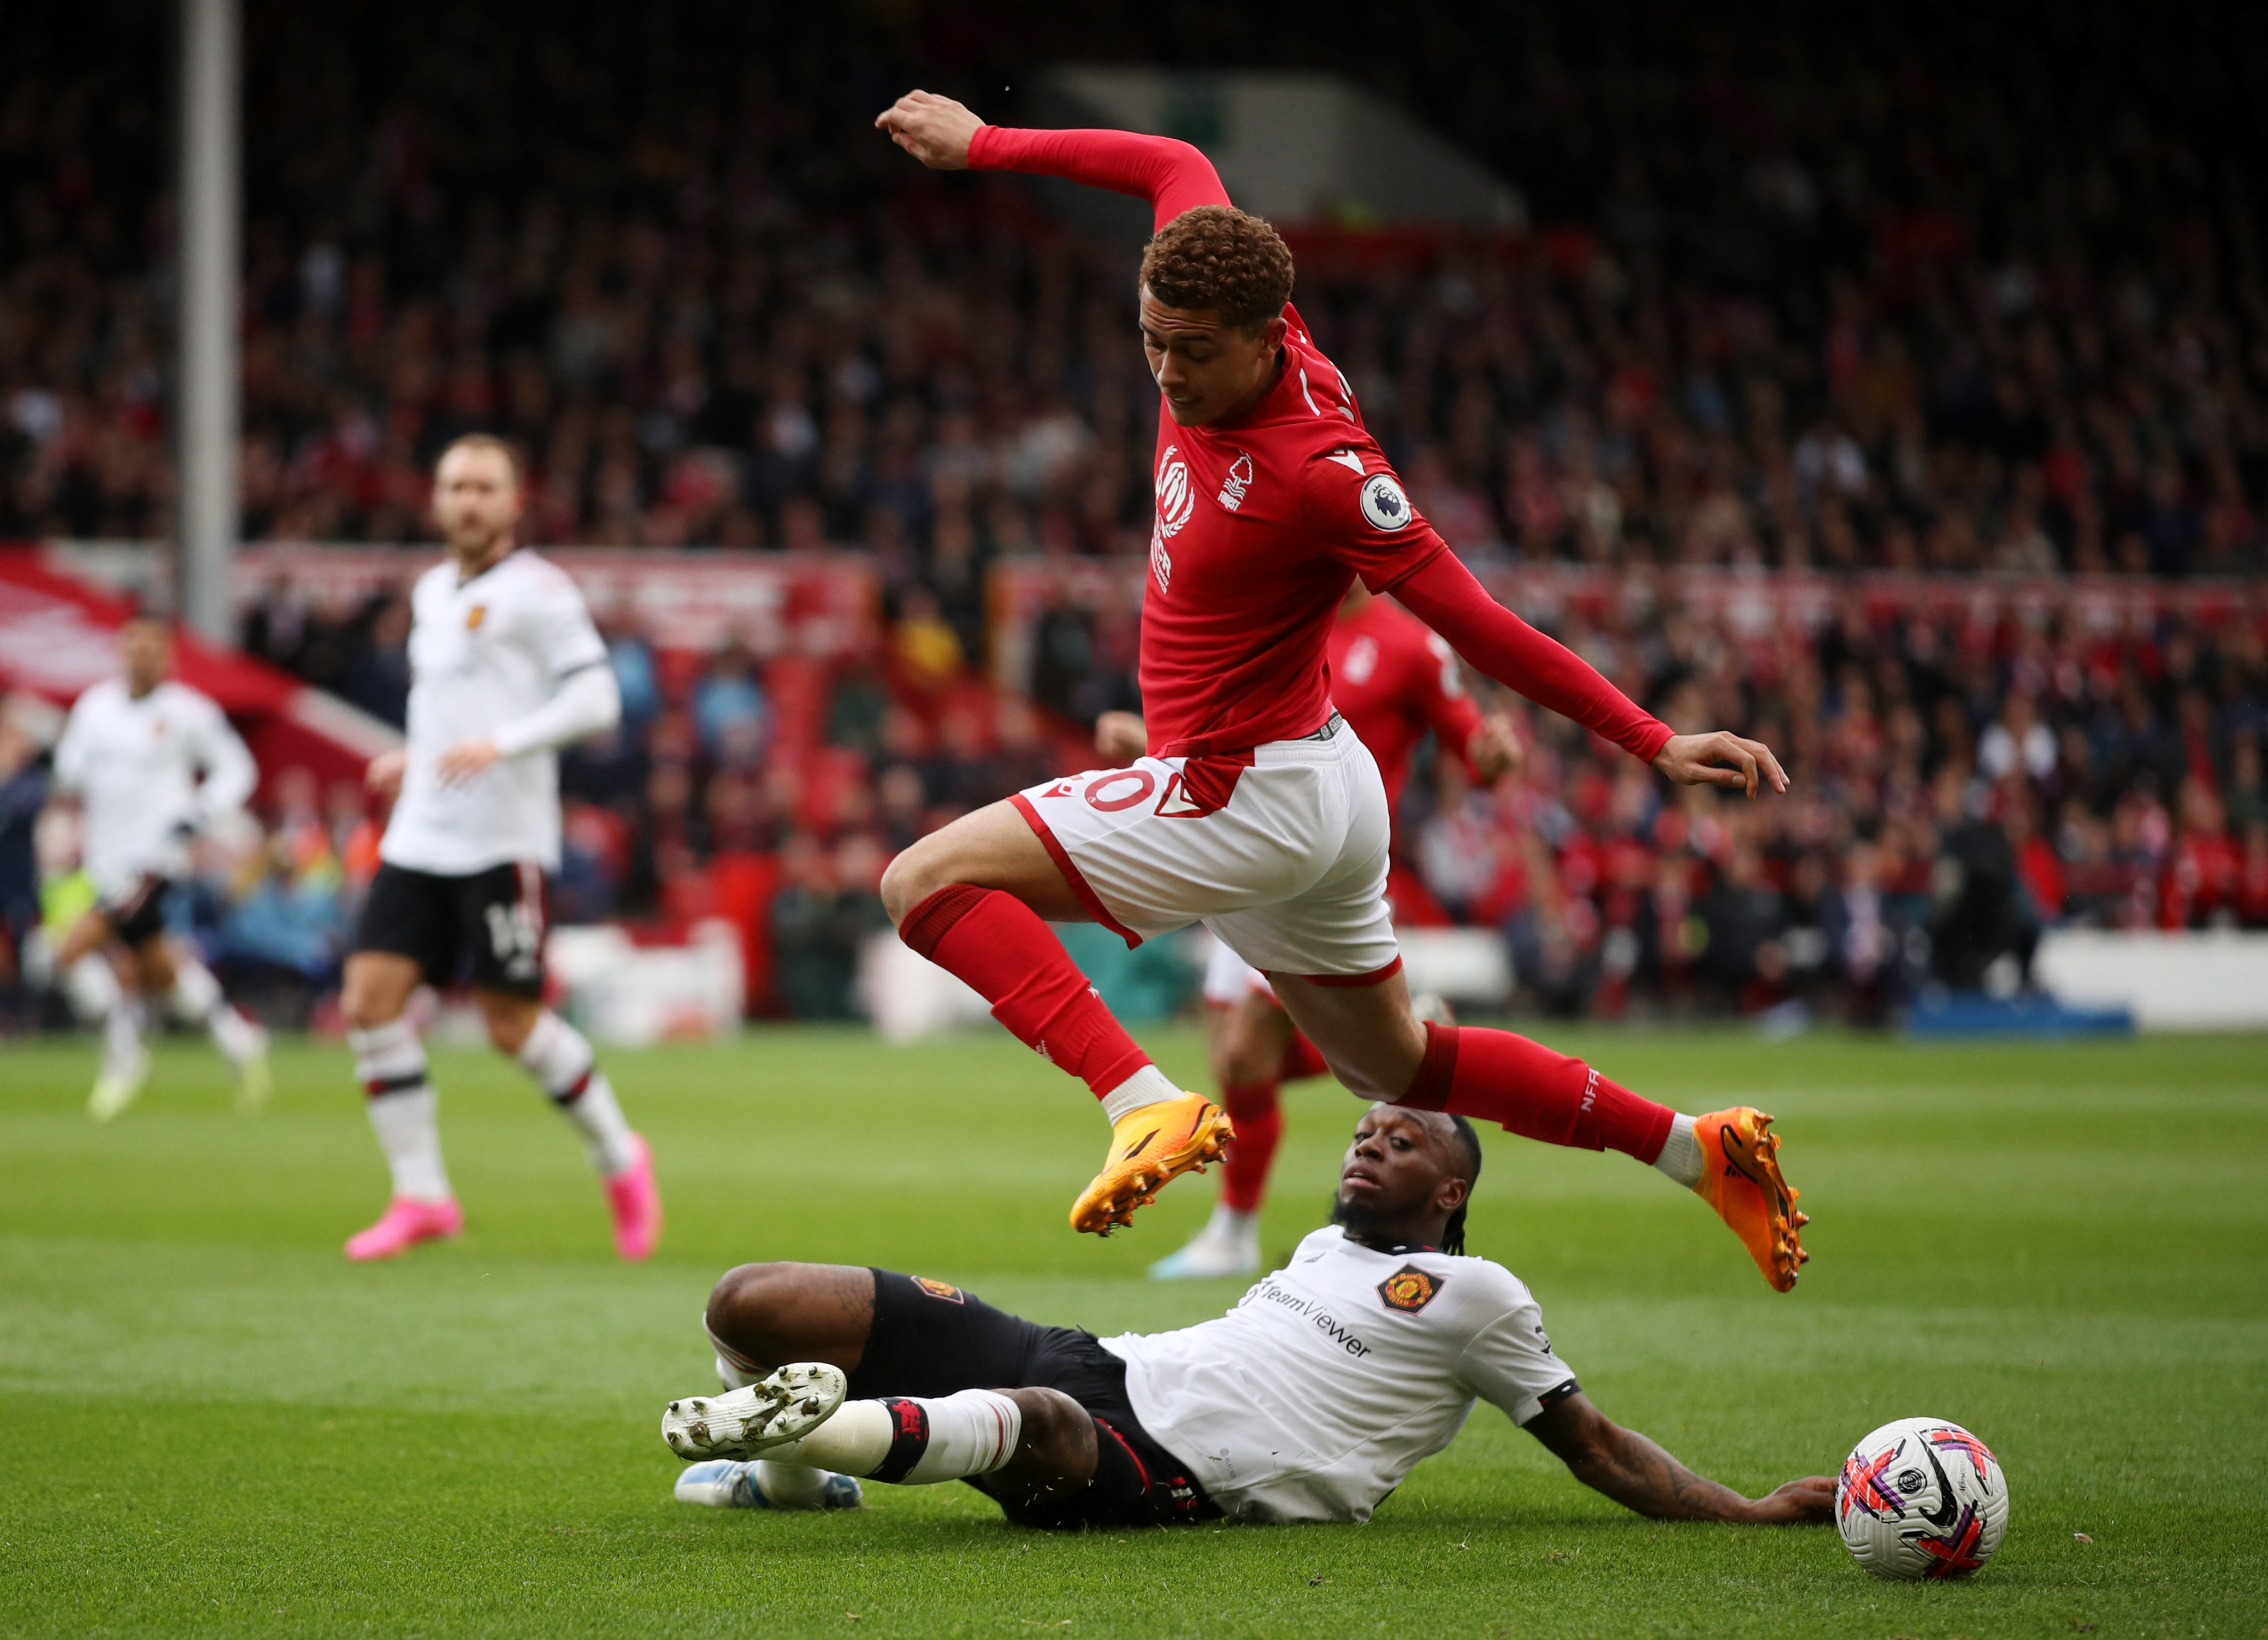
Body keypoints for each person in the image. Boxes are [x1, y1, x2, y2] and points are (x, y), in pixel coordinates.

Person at [870, 91, 1805, 1290]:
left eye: (1194, 350)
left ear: (1269, 335)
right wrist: (986, 146)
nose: (1168, 368)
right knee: (1402, 1071)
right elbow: (1172, 157)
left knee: (923, 880)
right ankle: (1697, 1148)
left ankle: (1142, 1099)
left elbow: (1477, 618)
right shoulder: (1216, 276)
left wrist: (1651, 737)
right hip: (1307, 785)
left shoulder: (1325, 473)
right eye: (1152, 337)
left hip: (1244, 793)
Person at [659, 1105, 1837, 1530]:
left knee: (1033, 1422)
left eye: (1404, 1138)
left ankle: (797, 1430)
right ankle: (792, 1470)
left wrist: (1747, 1509)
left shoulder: (1483, 1296)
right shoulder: (1325, 1245)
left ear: (1454, 1188)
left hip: (1177, 1468)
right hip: (1098, 1355)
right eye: (1365, 1130)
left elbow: (1596, 1445)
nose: (1370, 1140)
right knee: (755, 1300)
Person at [1102, 579, 1522, 1278]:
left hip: (1324, 873)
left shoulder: (1411, 646)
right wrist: (1148, 742)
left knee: (1243, 1057)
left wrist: (1494, 753)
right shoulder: (1284, 614)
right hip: (1240, 858)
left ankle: (1232, 1233)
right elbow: (1241, 730)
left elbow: (1470, 746)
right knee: (1238, 1069)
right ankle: (1397, 1041)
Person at [339, 434, 662, 1262]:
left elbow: (596, 698)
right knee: (369, 1001)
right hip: (420, 831)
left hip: (501, 841)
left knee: (512, 1025)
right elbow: (450, 702)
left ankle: (620, 1156)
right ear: (436, 499)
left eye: (485, 487)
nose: (468, 500)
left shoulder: (540, 592)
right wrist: (420, 754)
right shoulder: (432, 590)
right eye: (455, 486)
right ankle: (422, 1194)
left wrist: (504, 742)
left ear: (516, 501)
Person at [47, 614, 270, 1118]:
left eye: (152, 649)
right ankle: (238, 1039)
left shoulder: (189, 712)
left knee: (69, 950)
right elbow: (70, 772)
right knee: (157, 966)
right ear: (121, 652)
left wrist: (201, 814)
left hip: (155, 857)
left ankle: (124, 1055)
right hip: (104, 857)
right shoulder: (94, 708)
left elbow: (238, 768)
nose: (141, 657)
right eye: (133, 647)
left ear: (167, 657)